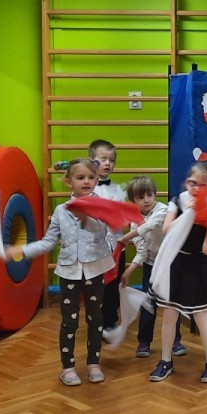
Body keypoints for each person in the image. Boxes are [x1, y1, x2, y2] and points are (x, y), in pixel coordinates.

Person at [7, 159, 115, 387]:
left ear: (97, 180)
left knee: (95, 318)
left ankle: (93, 363)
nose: (86, 181)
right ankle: (68, 367)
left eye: (91, 177)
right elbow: (48, 242)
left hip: (95, 270)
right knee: (69, 321)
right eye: (80, 177)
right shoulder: (60, 210)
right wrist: (22, 251)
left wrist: (86, 217)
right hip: (69, 272)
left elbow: (103, 229)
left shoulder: (102, 205)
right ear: (69, 182)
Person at [148, 163, 207, 383]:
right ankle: (165, 361)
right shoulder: (177, 201)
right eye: (192, 183)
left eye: (203, 185)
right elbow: (166, 230)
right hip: (176, 263)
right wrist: (190, 212)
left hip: (198, 266)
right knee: (170, 314)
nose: (196, 188)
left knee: (201, 315)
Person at [117, 175, 166, 358]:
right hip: (151, 266)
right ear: (133, 201)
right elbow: (142, 251)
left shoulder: (163, 210)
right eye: (140, 197)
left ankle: (175, 340)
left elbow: (151, 225)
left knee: (171, 304)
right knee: (148, 304)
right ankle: (144, 342)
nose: (146, 200)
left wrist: (127, 237)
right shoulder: (134, 221)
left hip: (169, 264)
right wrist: (127, 272)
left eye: (150, 195)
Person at [89, 139, 128, 334]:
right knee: (96, 285)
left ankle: (110, 321)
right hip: (96, 247)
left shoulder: (118, 190)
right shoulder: (87, 188)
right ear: (92, 160)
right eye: (103, 159)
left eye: (111, 160)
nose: (107, 163)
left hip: (117, 245)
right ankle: (95, 320)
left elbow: (122, 218)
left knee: (114, 284)